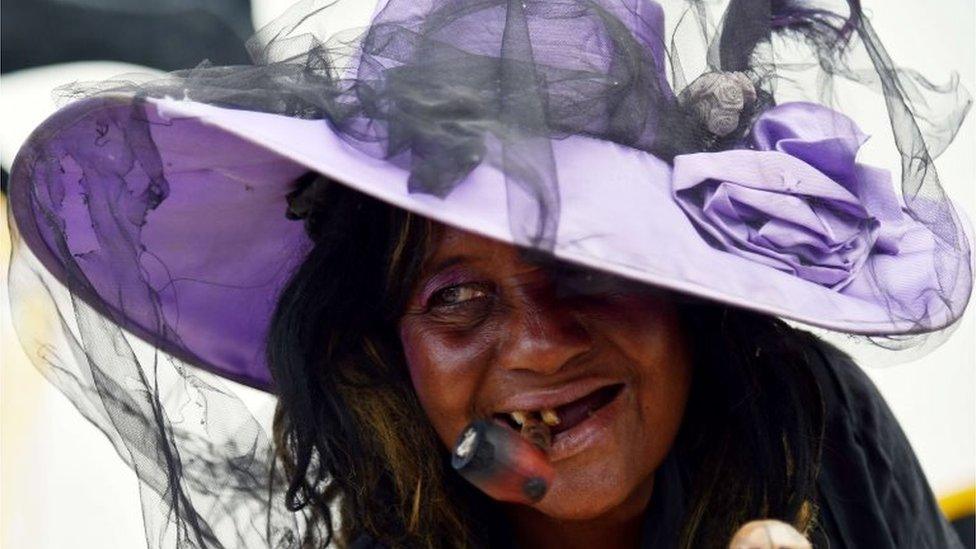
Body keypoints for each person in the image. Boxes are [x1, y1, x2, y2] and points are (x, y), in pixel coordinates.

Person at [6, 0, 972, 547]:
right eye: (456, 298)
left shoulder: (817, 436)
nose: (542, 341)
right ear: (389, 359)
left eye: (587, 267)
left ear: (686, 303)